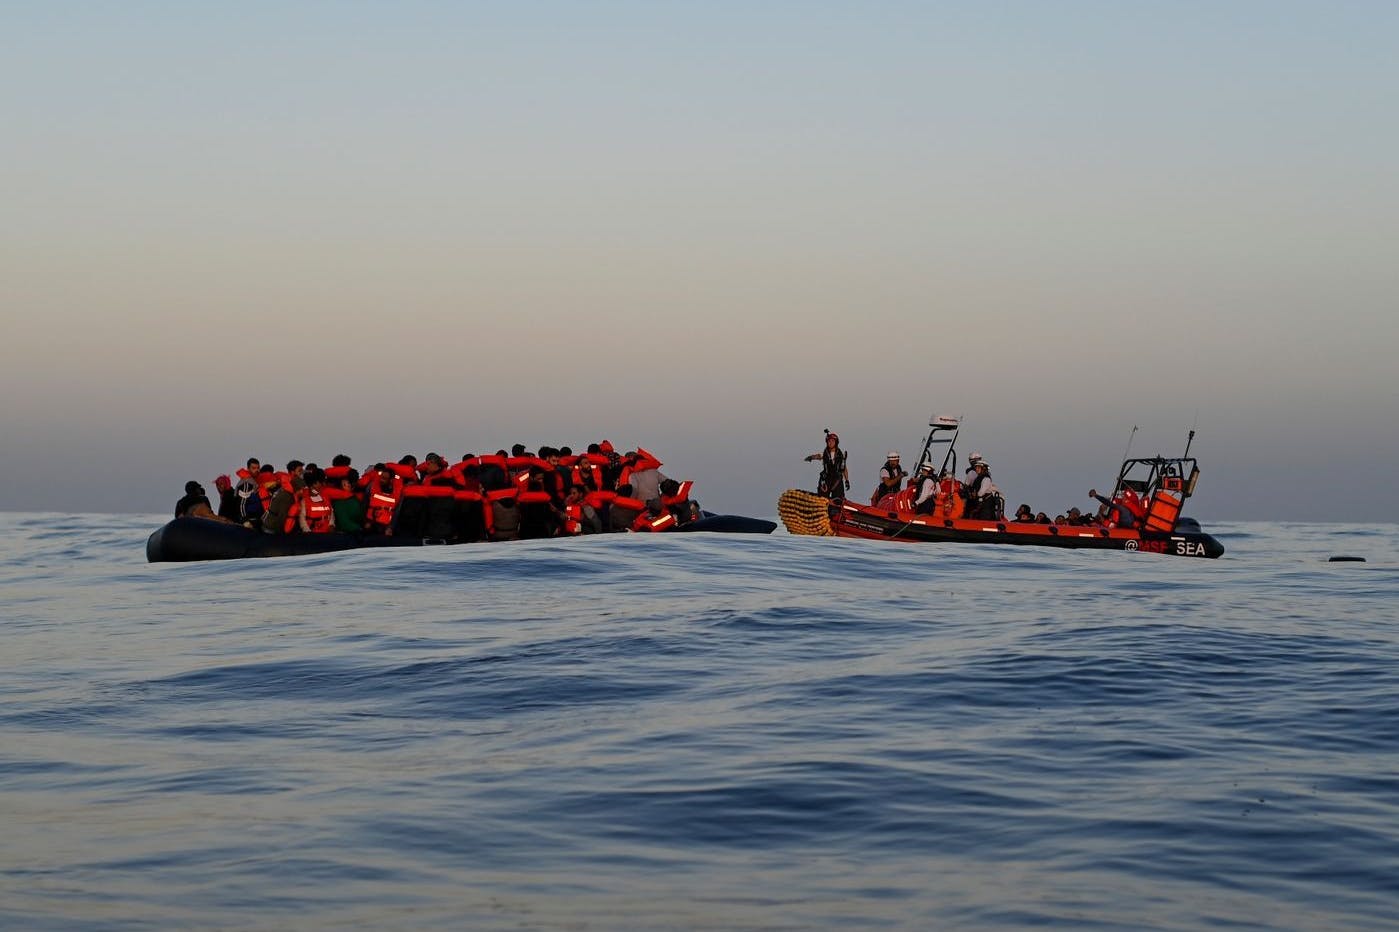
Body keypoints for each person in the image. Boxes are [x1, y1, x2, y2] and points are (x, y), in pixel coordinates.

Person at [804, 430, 850, 499]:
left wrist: (847, 480)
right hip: (826, 478)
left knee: (838, 499)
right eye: (829, 441)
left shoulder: (840, 456)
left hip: (837, 479)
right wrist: (811, 457)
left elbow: (844, 468)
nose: (830, 443)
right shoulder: (825, 453)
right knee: (822, 497)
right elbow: (819, 456)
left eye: (832, 441)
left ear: (836, 442)